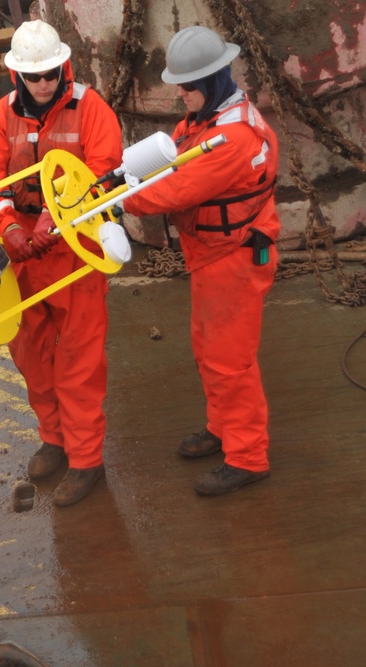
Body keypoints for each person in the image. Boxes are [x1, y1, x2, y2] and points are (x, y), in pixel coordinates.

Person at [121, 26, 280, 496]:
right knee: (208, 350)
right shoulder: (205, 119)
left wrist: (119, 202)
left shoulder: (232, 139)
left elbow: (172, 189)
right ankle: (221, 428)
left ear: (213, 81)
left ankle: (248, 457)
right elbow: (169, 162)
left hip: (233, 258)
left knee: (231, 360)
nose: (180, 93)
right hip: (211, 257)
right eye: (179, 84)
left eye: (188, 86)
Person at [0, 19, 123, 506]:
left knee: (79, 360)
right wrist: (10, 228)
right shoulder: (2, 115)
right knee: (31, 354)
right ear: (17, 77)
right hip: (23, 254)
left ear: (64, 66)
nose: (44, 83)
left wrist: (52, 225)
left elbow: (104, 173)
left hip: (76, 252)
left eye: (51, 74)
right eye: (34, 77)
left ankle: (85, 461)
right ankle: (54, 440)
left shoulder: (91, 109)